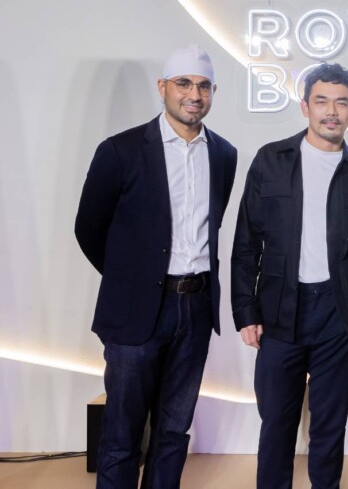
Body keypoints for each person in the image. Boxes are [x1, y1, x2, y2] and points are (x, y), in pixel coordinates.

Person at [75, 44, 238, 488]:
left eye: (203, 86)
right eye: (184, 84)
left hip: (196, 309)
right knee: (122, 435)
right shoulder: (120, 150)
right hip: (136, 313)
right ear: (163, 87)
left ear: (214, 92)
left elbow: (214, 224)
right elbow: (89, 228)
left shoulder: (223, 154)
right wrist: (133, 282)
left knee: (173, 433)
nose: (194, 94)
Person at [231, 62, 348, 489]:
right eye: (322, 101)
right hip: (280, 311)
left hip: (338, 315)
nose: (331, 112)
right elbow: (246, 241)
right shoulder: (271, 160)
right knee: (276, 424)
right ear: (305, 107)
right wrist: (246, 310)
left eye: (341, 103)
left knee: (329, 427)